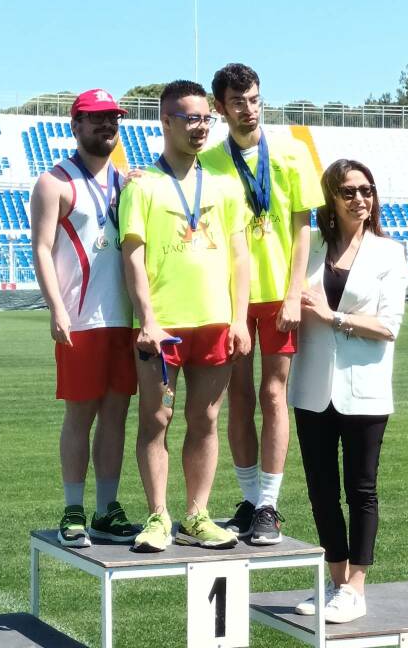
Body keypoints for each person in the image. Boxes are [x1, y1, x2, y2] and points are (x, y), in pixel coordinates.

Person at [118, 79, 252, 552]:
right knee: (157, 420)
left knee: (206, 420)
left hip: (215, 321)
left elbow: (240, 256)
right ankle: (157, 517)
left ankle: (196, 515)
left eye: (204, 118)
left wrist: (239, 319)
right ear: (166, 121)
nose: (199, 127)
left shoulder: (224, 185)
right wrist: (148, 319)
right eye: (189, 118)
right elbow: (132, 255)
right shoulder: (143, 186)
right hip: (163, 326)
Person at [201, 63, 323, 544]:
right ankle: (249, 498)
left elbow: (301, 229)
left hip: (278, 298)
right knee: (238, 396)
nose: (248, 109)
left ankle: (269, 505)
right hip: (231, 299)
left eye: (254, 99)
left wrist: (295, 293)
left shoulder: (292, 155)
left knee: (274, 395)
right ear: (220, 107)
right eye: (237, 102)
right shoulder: (210, 162)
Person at [288, 158, 408, 623]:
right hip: (312, 387)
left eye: (367, 190)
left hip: (366, 389)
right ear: (330, 200)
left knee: (361, 489)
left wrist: (333, 316)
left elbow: (387, 326)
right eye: (349, 191)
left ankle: (356, 586)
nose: (361, 199)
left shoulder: (389, 252)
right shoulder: (310, 248)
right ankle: (335, 582)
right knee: (320, 490)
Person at [31, 88, 138, 548]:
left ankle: (105, 510)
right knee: (81, 415)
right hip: (81, 319)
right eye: (96, 119)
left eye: (113, 118)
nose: (106, 125)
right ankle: (73, 508)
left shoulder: (129, 182)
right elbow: (40, 247)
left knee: (116, 412)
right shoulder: (55, 182)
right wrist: (56, 307)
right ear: (75, 125)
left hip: (124, 319)